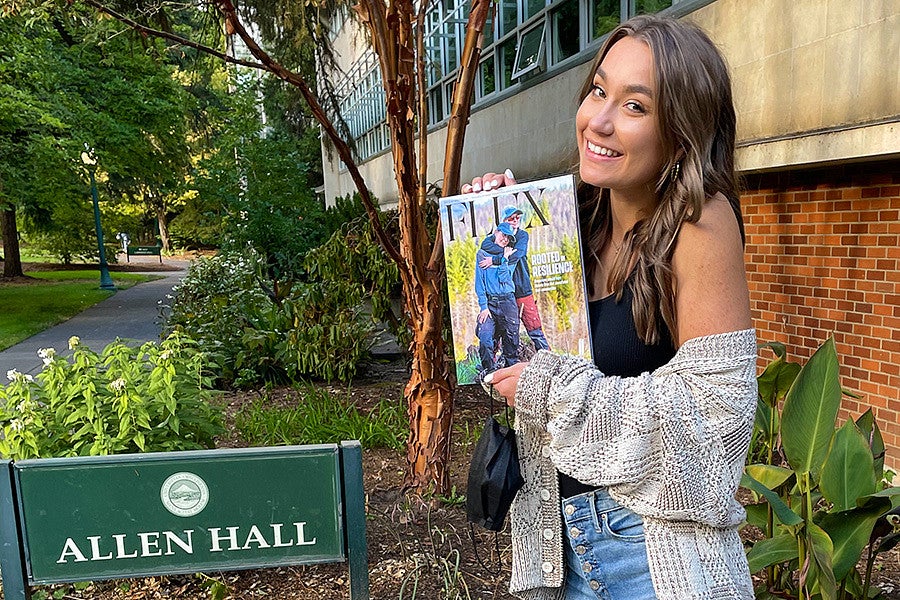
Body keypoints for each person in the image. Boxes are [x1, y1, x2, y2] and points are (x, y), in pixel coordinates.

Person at [463, 15, 756, 600]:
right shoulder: (569, 223)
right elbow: (517, 368)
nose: (598, 120)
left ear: (682, 134)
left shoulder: (701, 223)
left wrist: (551, 391)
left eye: (635, 106)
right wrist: (494, 227)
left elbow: (718, 433)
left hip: (652, 561)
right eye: (598, 90)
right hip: (558, 553)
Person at [480, 205, 551, 352]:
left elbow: (518, 255)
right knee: (499, 331)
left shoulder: (522, 235)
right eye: (511, 218)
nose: (515, 220)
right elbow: (485, 245)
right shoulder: (493, 238)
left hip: (521, 289)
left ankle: (549, 358)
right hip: (500, 294)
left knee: (534, 327)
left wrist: (494, 260)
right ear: (503, 221)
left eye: (517, 217)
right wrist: (506, 254)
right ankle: (492, 367)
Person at [474, 222, 521, 372]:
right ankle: (489, 371)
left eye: (508, 237)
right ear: (496, 232)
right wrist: (483, 306)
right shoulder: (482, 254)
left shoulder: (511, 254)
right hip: (490, 302)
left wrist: (504, 260)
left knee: (511, 337)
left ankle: (511, 370)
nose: (505, 239)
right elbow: (479, 282)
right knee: (485, 335)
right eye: (503, 234)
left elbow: (504, 278)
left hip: (507, 301)